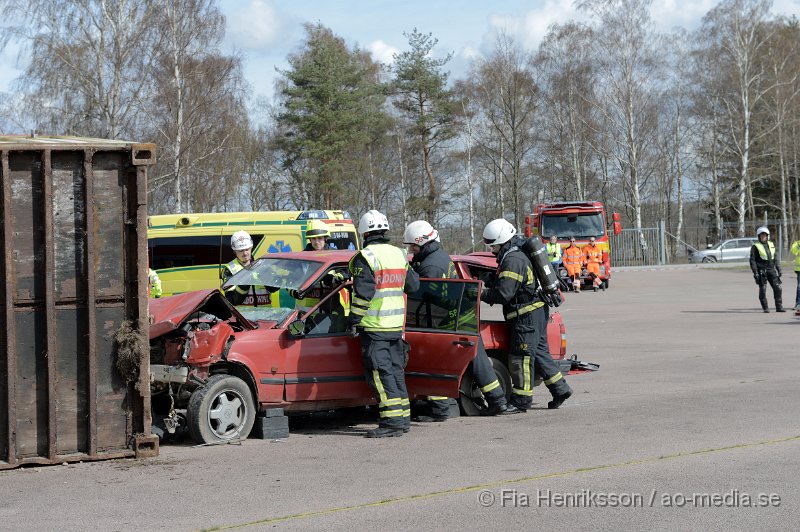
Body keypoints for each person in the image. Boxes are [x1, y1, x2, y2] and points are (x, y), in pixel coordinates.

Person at [403, 220, 513, 420]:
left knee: (435, 364)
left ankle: (442, 409)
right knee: (478, 360)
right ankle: (497, 400)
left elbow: (425, 298)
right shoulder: (439, 257)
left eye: (413, 246)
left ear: (422, 242)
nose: (411, 250)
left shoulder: (431, 267)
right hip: (460, 317)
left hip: (443, 320)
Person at [481, 218, 572, 412]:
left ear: (502, 241)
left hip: (526, 316)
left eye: (494, 246)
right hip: (536, 312)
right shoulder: (516, 253)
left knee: (520, 357)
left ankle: (521, 401)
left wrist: (480, 293)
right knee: (539, 354)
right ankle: (560, 389)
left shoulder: (513, 260)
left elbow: (503, 294)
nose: (492, 250)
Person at [348, 210, 420, 438]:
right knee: (396, 373)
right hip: (395, 326)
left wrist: (353, 320)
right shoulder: (399, 254)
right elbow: (413, 286)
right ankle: (403, 420)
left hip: (375, 326)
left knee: (381, 375)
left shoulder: (365, 257)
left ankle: (391, 423)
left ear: (364, 234)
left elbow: (363, 295)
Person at [222, 230, 271, 307]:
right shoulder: (229, 269)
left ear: (251, 247)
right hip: (244, 317)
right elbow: (232, 300)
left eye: (247, 249)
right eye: (241, 251)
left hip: (264, 315)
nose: (245, 253)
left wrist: (268, 277)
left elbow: (274, 289)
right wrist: (244, 284)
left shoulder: (261, 265)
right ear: (234, 251)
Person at [750, 226, 784, 313]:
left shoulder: (771, 244)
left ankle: (779, 307)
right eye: (761, 235)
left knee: (778, 288)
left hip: (771, 270)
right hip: (762, 271)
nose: (763, 237)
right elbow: (752, 260)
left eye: (764, 235)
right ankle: (765, 308)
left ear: (767, 236)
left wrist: (779, 268)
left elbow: (775, 258)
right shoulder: (755, 246)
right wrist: (755, 272)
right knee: (763, 290)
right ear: (758, 236)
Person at [792, 237, 800, 315]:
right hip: (799, 269)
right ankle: (798, 303)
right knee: (799, 287)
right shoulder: (797, 243)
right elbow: (794, 252)